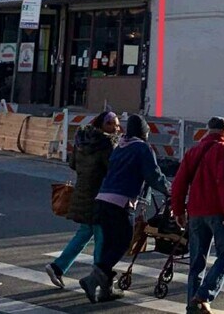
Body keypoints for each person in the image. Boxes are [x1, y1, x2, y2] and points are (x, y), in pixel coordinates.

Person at [78, 114, 169, 304]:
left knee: (110, 243)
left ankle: (105, 290)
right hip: (120, 201)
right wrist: (171, 190)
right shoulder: (142, 148)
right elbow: (154, 176)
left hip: (103, 199)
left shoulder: (120, 146)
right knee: (123, 241)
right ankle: (94, 279)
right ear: (144, 132)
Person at [172, 116, 224, 314]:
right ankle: (204, 295)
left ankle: (193, 306)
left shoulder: (193, 151)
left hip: (195, 212)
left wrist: (178, 210)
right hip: (218, 211)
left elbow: (179, 183)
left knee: (197, 260)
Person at [45, 111, 119, 293]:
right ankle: (98, 275)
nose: (115, 128)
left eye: (117, 124)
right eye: (111, 124)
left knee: (85, 232)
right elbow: (112, 168)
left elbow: (73, 164)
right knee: (101, 235)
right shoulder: (106, 144)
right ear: (102, 125)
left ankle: (58, 267)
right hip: (99, 195)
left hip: (82, 192)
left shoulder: (82, 141)